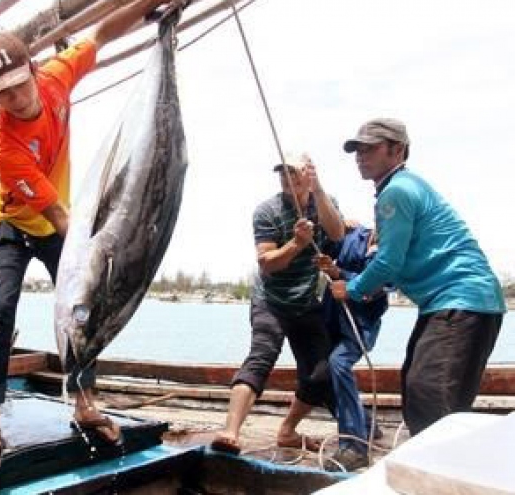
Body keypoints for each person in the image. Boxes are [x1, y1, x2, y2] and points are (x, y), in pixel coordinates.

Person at [0, 0, 180, 473]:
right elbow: (59, 215)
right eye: (1, 94)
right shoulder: (5, 145)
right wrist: (101, 254)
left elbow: (102, 32)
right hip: (17, 226)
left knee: (90, 305)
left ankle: (84, 401)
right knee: (2, 310)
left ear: (32, 69)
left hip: (62, 226)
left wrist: (151, 6)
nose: (15, 98)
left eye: (19, 84)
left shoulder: (57, 77)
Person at [330, 118, 505, 437]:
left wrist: (351, 288)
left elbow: (388, 264)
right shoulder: (404, 188)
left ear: (398, 150)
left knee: (426, 393)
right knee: (427, 393)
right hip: (467, 304)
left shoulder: (396, 191)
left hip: (460, 300)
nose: (360, 155)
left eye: (370, 148)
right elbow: (391, 267)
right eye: (357, 149)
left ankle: (438, 478)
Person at [210, 152, 345, 454]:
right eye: (282, 173)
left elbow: (337, 232)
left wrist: (319, 190)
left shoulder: (324, 202)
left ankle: (287, 431)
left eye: (294, 172)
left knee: (323, 370)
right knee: (261, 357)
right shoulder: (267, 211)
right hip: (270, 301)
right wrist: (297, 244)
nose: (287, 178)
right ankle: (230, 432)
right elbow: (267, 263)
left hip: (305, 301)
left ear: (309, 174)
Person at [316, 221, 388, 471]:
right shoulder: (355, 235)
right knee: (321, 376)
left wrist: (339, 275)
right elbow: (328, 240)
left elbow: (374, 285)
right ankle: (367, 425)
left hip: (359, 328)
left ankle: (355, 446)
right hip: (331, 321)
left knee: (339, 364)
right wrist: (338, 222)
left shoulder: (391, 254)